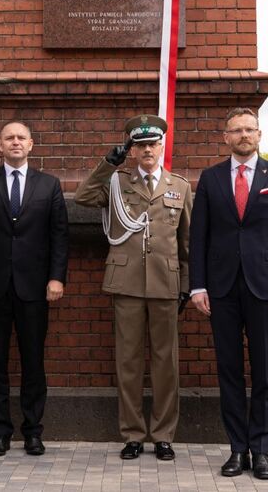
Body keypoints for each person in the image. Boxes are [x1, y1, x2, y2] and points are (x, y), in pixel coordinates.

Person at [189, 106, 268, 480]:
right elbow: (198, 236)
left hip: (266, 288)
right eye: (236, 130)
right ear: (226, 137)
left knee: (266, 372)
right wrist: (198, 285)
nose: (243, 136)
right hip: (221, 288)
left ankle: (262, 449)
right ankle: (238, 448)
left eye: (249, 129)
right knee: (230, 371)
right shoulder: (210, 178)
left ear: (259, 135)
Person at [75, 114, 191, 462]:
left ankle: (164, 434)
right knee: (127, 363)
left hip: (165, 283)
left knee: (165, 364)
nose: (147, 150)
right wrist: (107, 164)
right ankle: (133, 434)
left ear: (161, 146)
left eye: (152, 144)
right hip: (126, 283)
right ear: (132, 150)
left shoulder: (179, 186)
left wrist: (185, 284)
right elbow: (83, 196)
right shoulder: (116, 183)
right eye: (139, 145)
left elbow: (186, 243)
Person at [0, 121, 69, 458]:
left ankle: (33, 431)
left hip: (35, 288)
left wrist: (57, 277)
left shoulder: (49, 185)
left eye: (21, 138)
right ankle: (0, 431)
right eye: (9, 138)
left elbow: (59, 236)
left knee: (33, 361)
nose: (16, 142)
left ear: (31, 145)